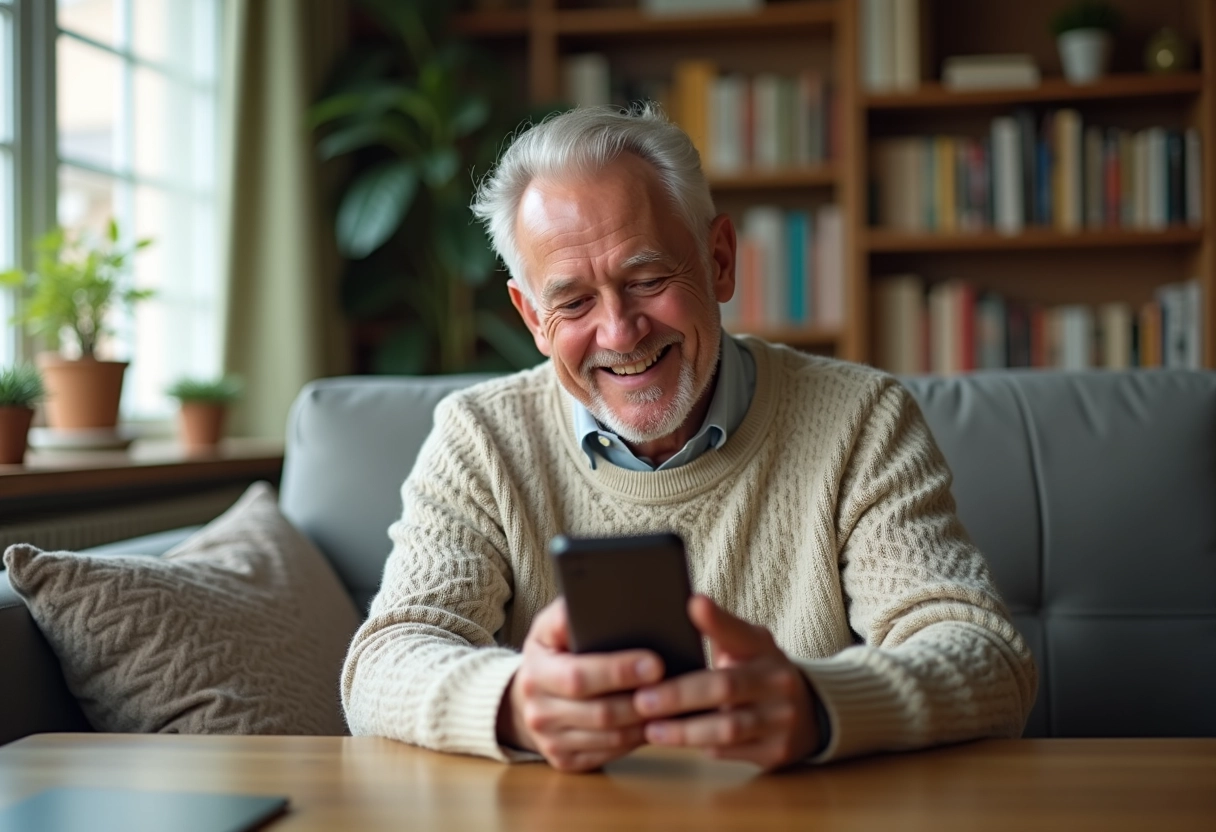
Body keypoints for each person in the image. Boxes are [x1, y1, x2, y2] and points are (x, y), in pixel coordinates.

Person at [341, 105, 1037, 773]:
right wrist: (513, 704)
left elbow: (986, 656)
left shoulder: (861, 419)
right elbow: (384, 662)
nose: (619, 333)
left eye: (647, 280)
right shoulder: (481, 439)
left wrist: (819, 706)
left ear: (720, 260)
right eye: (574, 302)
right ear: (531, 316)